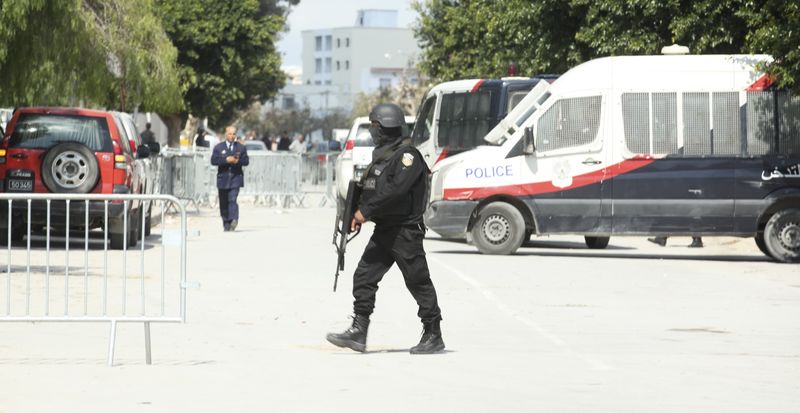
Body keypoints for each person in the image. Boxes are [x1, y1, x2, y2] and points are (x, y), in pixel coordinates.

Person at [326, 103, 444, 355]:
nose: (372, 131)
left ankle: (433, 332)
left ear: (384, 127)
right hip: (385, 230)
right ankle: (359, 331)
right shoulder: (384, 155)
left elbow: (394, 192)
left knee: (417, 281)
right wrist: (355, 213)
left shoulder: (407, 156)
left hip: (405, 231)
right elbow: (373, 190)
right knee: (364, 276)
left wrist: (364, 213)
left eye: (375, 126)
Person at [210, 126, 249, 231]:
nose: (232, 136)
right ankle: (226, 222)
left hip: (236, 178)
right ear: (226, 134)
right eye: (230, 134)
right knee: (223, 203)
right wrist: (226, 160)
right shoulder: (218, 147)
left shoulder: (241, 147)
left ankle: (234, 219)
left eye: (234, 134)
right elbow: (213, 161)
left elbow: (246, 161)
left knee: (232, 199)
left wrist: (238, 161)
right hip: (223, 179)